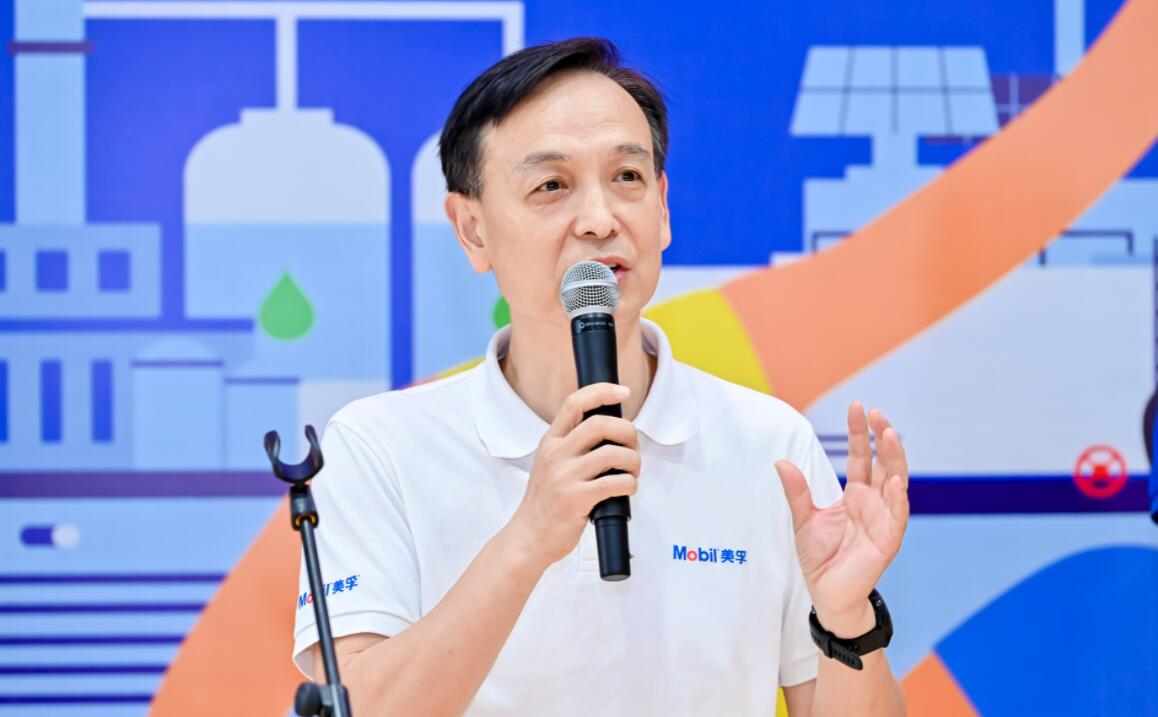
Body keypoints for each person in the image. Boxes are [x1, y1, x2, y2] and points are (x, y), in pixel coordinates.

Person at [293, 37, 910, 716]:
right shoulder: (380, 447)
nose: (598, 220)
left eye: (627, 177)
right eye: (551, 186)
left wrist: (847, 618)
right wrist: (530, 537)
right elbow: (357, 708)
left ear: (662, 208)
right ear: (471, 229)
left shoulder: (770, 444)